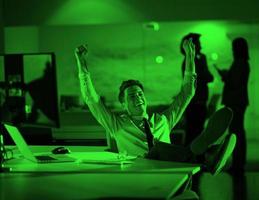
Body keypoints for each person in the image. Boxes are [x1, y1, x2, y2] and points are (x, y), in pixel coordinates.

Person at [75, 39, 236, 176]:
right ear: (123, 104)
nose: (137, 97)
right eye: (131, 96)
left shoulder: (163, 120)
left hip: (169, 172)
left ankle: (206, 155)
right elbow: (91, 99)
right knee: (157, 148)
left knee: (160, 148)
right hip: (139, 173)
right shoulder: (117, 125)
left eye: (139, 94)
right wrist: (81, 63)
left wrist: (190, 57)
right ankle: (206, 155)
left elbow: (187, 92)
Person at [215, 37, 250, 175]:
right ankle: (239, 163)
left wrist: (225, 75)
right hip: (239, 101)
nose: (232, 50)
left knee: (236, 133)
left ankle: (238, 164)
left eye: (234, 47)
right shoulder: (243, 63)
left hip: (236, 102)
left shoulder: (239, 63)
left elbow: (234, 83)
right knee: (238, 131)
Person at [180, 33, 214, 147]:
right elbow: (206, 77)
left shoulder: (201, 59)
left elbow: (208, 77)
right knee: (193, 133)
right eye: (198, 43)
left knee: (197, 132)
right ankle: (192, 160)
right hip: (194, 102)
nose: (201, 46)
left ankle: (196, 159)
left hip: (200, 101)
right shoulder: (190, 62)